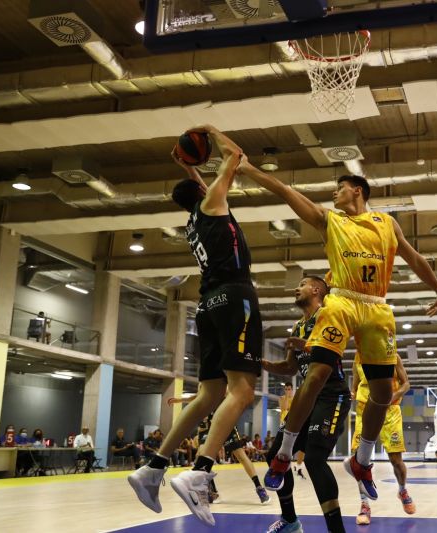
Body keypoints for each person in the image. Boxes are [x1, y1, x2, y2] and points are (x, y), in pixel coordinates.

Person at [238, 160, 437, 506]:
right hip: (342, 301)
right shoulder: (330, 220)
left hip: (377, 307)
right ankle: (285, 452)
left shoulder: (387, 224)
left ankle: (361, 461)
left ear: (358, 190)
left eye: (341, 186)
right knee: (317, 373)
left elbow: (414, 257)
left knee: (383, 390)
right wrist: (249, 170)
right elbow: (286, 191)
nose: (335, 192)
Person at [128, 126, 263, 527]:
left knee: (208, 394)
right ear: (204, 195)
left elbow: (204, 187)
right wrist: (210, 131)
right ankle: (200, 472)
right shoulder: (211, 207)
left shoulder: (195, 220)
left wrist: (187, 167)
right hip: (234, 297)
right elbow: (234, 155)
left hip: (207, 305)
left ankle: (152, 469)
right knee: (242, 390)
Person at [261, 275, 351, 533]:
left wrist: (307, 346)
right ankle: (290, 521)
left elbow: (333, 351)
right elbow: (290, 367)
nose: (295, 288)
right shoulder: (298, 325)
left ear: (315, 289)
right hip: (307, 398)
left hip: (332, 395)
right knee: (274, 453)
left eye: (301, 284)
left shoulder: (329, 314)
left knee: (314, 459)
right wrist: (262, 363)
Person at [351, 353, 415, 526]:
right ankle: (364, 505)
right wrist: (350, 392)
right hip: (365, 408)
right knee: (359, 461)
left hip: (390, 409)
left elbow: (406, 384)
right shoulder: (358, 358)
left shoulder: (393, 356)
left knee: (396, 460)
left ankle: (402, 490)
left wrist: (393, 396)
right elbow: (355, 387)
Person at [280, 384, 307, 479]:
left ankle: (299, 467)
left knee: (302, 446)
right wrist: (287, 396)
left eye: (289, 389)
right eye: (286, 389)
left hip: (294, 425)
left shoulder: (296, 398)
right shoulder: (282, 398)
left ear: (292, 389)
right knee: (285, 448)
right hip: (284, 425)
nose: (288, 390)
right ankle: (284, 468)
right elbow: (285, 408)